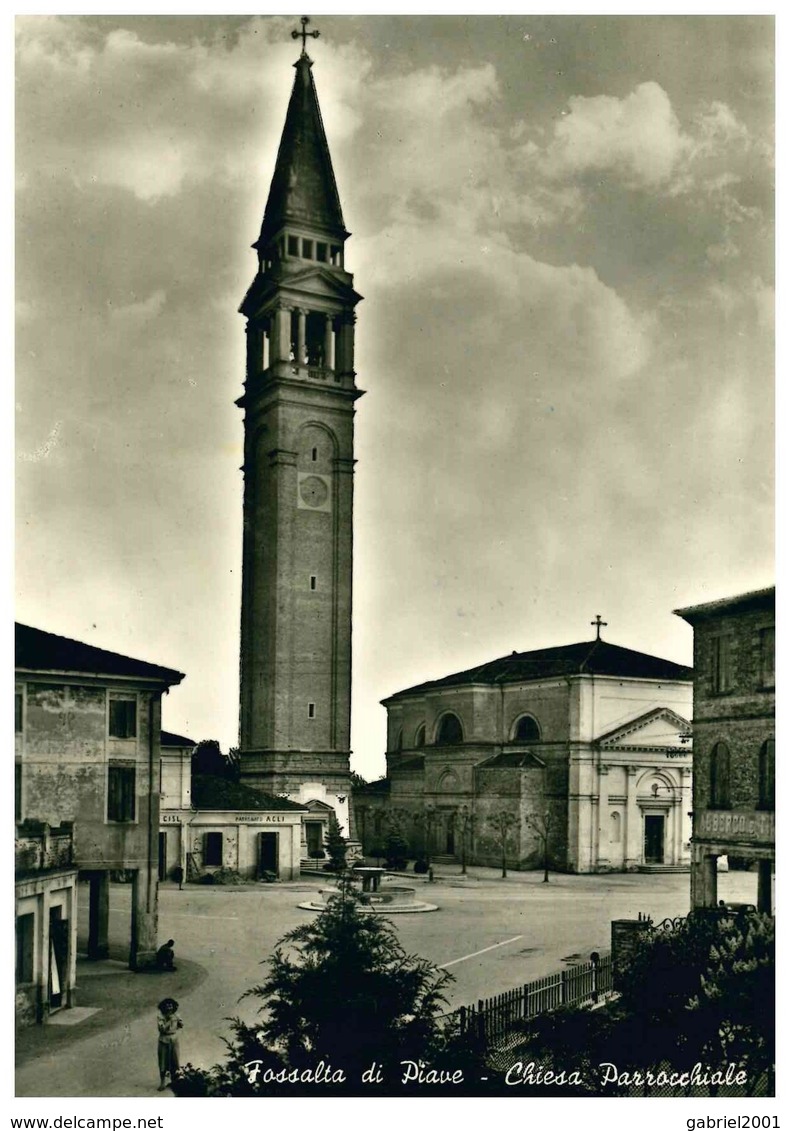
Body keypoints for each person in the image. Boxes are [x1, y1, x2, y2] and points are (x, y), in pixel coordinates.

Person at [157, 997, 183, 1091]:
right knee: (163, 1062)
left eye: (170, 1005)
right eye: (167, 1006)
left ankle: (174, 1081)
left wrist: (178, 1021)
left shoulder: (176, 1015)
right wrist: (169, 1020)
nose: (169, 1008)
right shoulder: (160, 1017)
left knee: (175, 1061)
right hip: (163, 1040)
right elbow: (162, 1029)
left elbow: (181, 1026)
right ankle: (162, 1082)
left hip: (174, 1039)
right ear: (163, 1007)